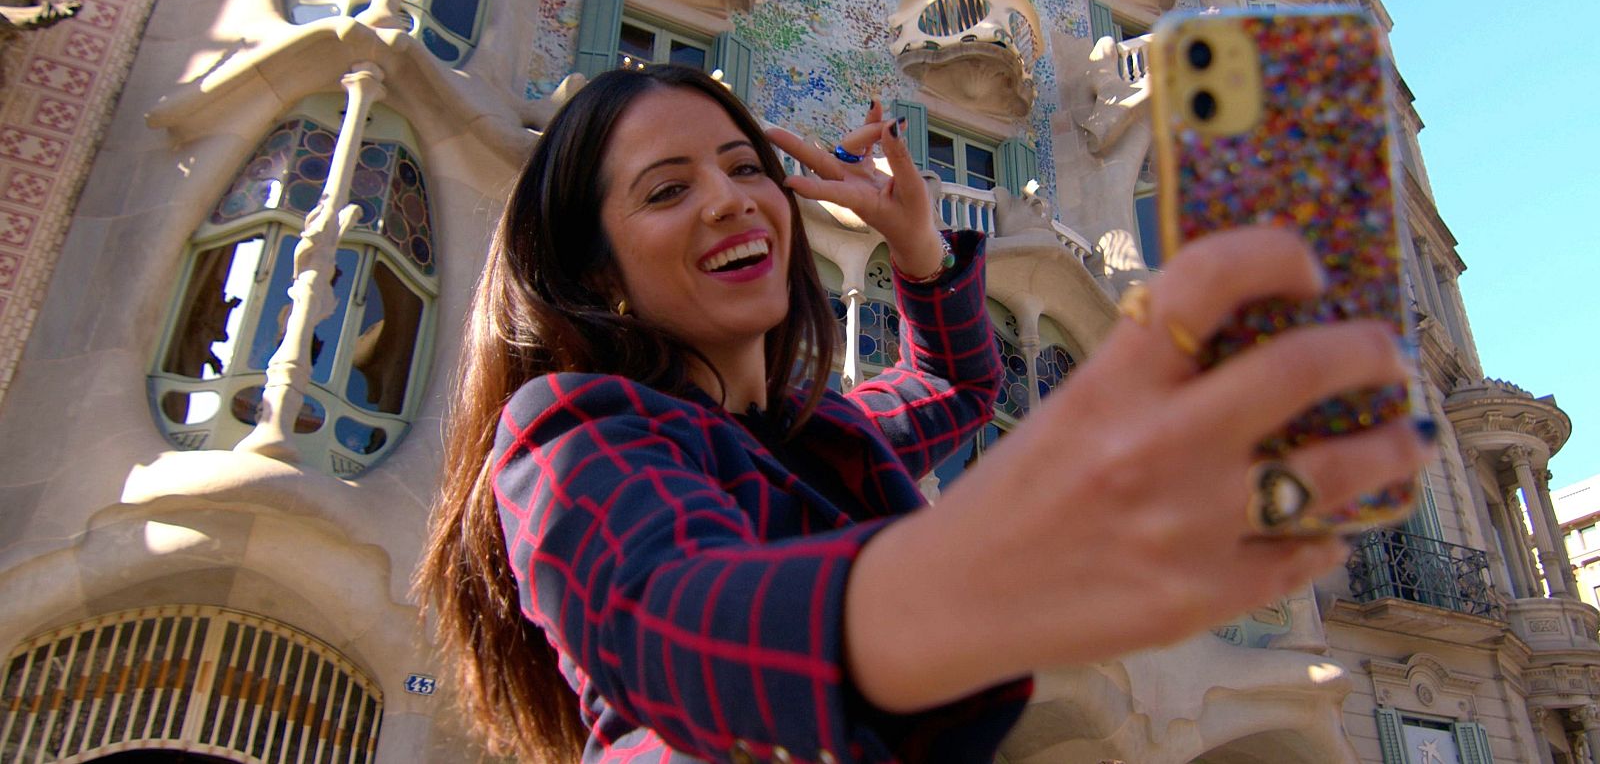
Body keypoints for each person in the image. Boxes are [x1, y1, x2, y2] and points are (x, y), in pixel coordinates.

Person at [415, 64, 1430, 764]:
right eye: (668, 187)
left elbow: (955, 386)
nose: (731, 200)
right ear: (596, 268)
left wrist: (918, 250)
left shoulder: (822, 437)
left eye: (743, 167)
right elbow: (671, 620)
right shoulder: (572, 429)